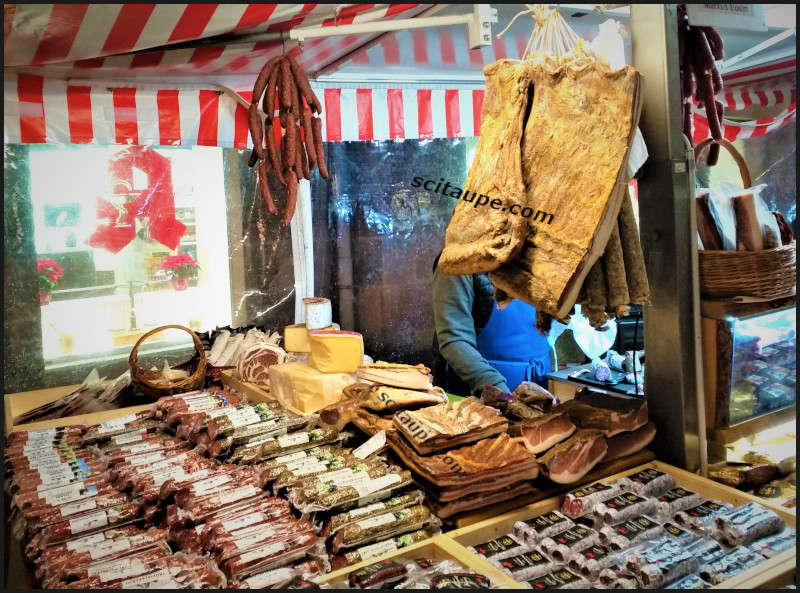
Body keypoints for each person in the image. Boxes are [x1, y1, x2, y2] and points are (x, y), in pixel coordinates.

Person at [431, 251, 553, 397]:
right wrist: (499, 392)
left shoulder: (539, 255)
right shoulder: (457, 262)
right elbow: (454, 341)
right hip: (484, 394)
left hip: (542, 384)